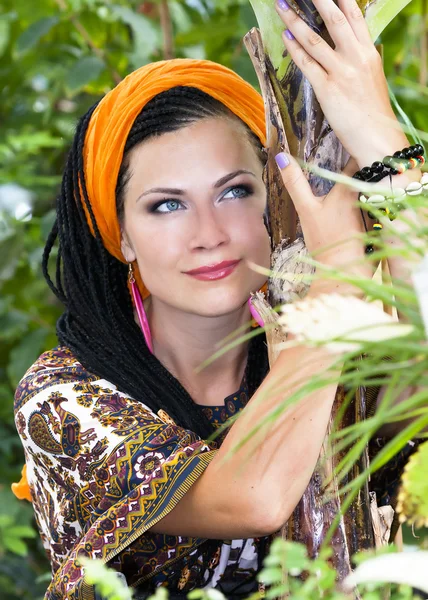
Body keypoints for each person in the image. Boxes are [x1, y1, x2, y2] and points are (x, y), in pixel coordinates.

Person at [13, 0, 424, 598]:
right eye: (167, 204)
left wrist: (385, 144)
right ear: (120, 233)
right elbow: (251, 497)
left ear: (275, 195)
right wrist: (336, 276)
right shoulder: (65, 397)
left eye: (233, 191)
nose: (209, 233)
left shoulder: (336, 344)